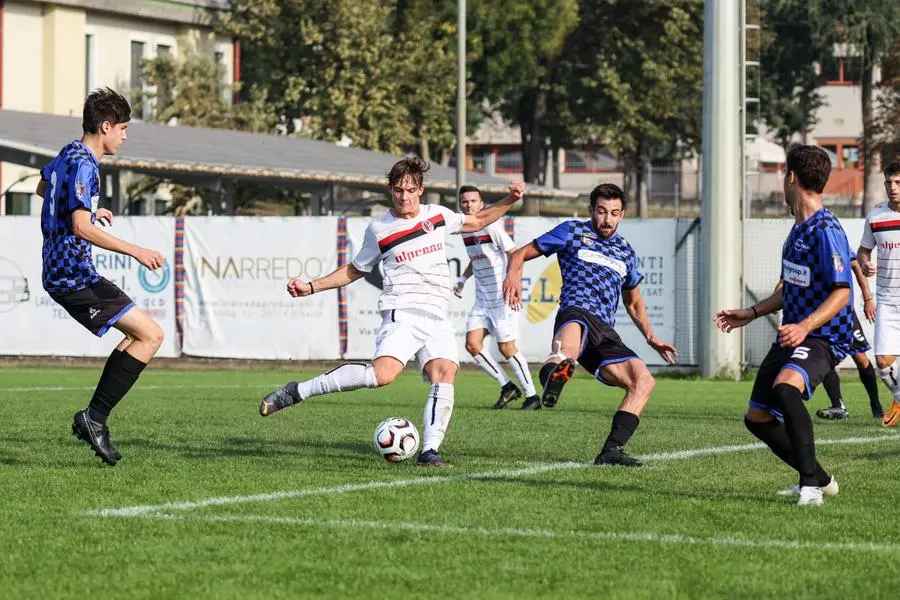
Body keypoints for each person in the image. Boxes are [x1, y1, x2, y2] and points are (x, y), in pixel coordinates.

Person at [259, 157, 525, 467]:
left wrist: (511, 199)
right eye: (398, 190)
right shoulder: (380, 228)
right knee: (382, 375)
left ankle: (429, 451)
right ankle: (297, 391)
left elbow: (478, 221)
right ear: (390, 189)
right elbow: (355, 270)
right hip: (404, 311)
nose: (404, 197)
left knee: (446, 372)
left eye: (410, 190)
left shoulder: (437, 216)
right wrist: (312, 286)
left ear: (421, 190)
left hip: (436, 314)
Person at [716, 144, 855, 506]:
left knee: (786, 387)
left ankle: (810, 487)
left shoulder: (826, 229)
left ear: (791, 177)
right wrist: (751, 312)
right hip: (793, 332)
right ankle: (820, 477)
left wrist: (806, 325)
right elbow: (788, 290)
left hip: (822, 335)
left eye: (783, 176)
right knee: (757, 417)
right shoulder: (798, 230)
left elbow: (842, 292)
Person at [503, 183, 677, 467]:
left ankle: (611, 450)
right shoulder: (572, 231)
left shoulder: (626, 252)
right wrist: (513, 275)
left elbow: (633, 302)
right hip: (576, 311)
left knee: (643, 381)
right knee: (567, 350)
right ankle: (554, 373)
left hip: (605, 331)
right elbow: (520, 253)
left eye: (614, 213)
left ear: (622, 215)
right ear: (591, 210)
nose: (607, 219)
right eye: (601, 211)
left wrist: (651, 337)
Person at [37, 88, 166, 466]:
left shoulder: (67, 153)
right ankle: (94, 418)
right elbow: (79, 228)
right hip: (72, 275)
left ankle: (93, 418)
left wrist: (92, 209)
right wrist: (137, 251)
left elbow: (44, 187)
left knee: (142, 334)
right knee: (151, 336)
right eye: (122, 128)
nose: (124, 136)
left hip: (63, 271)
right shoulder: (86, 165)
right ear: (105, 126)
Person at [452, 185, 539, 410]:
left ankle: (532, 396)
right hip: (482, 300)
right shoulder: (466, 230)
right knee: (472, 344)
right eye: (464, 202)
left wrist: (515, 284)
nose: (469, 205)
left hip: (502, 298)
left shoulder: (493, 227)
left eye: (473, 201)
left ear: (481, 204)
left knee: (506, 348)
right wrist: (463, 278)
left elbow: (515, 255)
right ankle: (508, 386)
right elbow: (477, 257)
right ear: (460, 205)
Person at [857, 160, 900, 427]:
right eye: (888, 182)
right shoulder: (876, 217)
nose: (892, 188)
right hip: (886, 299)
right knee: (883, 361)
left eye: (898, 182)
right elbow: (863, 251)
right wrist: (865, 263)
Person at [814, 257, 883, 420]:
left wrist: (868, 299)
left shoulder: (837, 240)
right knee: (824, 357)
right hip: (819, 312)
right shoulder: (805, 247)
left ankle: (876, 405)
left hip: (843, 313)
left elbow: (857, 267)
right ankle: (838, 406)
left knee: (860, 357)